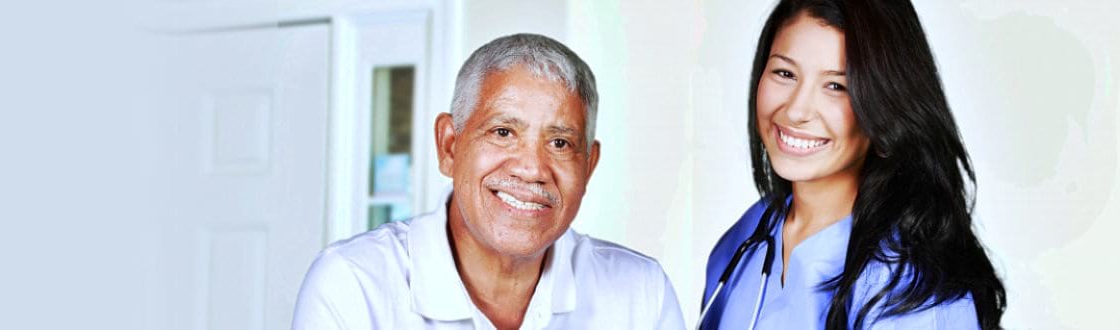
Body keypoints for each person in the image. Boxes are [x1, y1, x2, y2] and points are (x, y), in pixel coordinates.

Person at [292, 33, 684, 330]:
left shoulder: (639, 294)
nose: (531, 169)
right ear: (449, 145)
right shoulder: (352, 285)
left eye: (560, 142)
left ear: (589, 166)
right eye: (502, 132)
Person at [699, 0, 1009, 329]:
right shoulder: (746, 238)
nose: (796, 111)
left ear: (886, 105)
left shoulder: (910, 288)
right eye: (785, 73)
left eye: (836, 86)